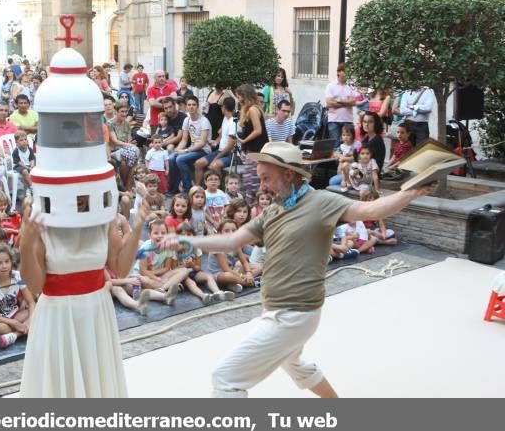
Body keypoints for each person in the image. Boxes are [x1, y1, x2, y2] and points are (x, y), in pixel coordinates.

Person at [160, 140, 434, 398]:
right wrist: (188, 240)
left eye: (267, 177)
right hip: (280, 310)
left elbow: (370, 210)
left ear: (289, 175)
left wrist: (410, 192)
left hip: (293, 315)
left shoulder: (322, 202)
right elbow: (231, 240)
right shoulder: (272, 211)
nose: (262, 185)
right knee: (296, 363)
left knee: (225, 377)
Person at [19, 191, 151, 396]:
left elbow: (121, 268)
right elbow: (36, 285)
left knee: (96, 376)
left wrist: (137, 228)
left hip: (96, 311)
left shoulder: (104, 219)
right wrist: (26, 244)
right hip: (58, 314)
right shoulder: (43, 222)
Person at [0, 244, 35, 349]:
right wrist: (14, 323)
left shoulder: (18, 276)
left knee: (38, 308)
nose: (4, 266)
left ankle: (15, 335)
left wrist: (31, 319)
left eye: (7, 261)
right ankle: (27, 329)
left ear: (11, 262)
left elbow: (31, 302)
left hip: (14, 314)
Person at [175, 223, 233, 304]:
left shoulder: (196, 248)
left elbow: (198, 268)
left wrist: (192, 265)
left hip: (193, 272)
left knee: (208, 276)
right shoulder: (176, 250)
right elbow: (173, 269)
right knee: (190, 282)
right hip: (182, 275)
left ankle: (218, 292)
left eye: (189, 234)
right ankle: (203, 295)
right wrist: (185, 265)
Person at [169, 95, 212, 194]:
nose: (191, 107)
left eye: (194, 105)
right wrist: (177, 150)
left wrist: (185, 151)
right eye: (189, 105)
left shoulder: (204, 121)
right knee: (172, 157)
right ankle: (174, 189)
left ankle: (187, 189)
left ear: (197, 106)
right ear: (186, 107)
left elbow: (202, 143)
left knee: (180, 159)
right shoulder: (187, 120)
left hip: (203, 150)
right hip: (192, 148)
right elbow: (184, 140)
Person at [236, 84, 268, 205]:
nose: (238, 99)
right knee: (250, 180)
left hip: (256, 150)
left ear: (244, 96)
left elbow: (258, 130)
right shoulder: (249, 109)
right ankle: (251, 206)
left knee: (252, 181)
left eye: (239, 96)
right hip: (251, 150)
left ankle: (253, 206)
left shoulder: (253, 110)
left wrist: (244, 141)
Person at [207, 220, 259, 293]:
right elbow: (226, 269)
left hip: (233, 270)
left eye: (234, 230)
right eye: (226, 231)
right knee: (228, 276)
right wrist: (242, 276)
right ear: (220, 233)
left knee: (258, 267)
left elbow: (244, 262)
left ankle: (233, 284)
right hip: (219, 274)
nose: (231, 233)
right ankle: (252, 282)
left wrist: (249, 273)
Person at [194, 96, 237, 179]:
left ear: (224, 107)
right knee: (198, 163)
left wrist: (216, 158)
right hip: (221, 151)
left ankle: (217, 190)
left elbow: (230, 146)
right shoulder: (225, 118)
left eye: (221, 106)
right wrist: (216, 142)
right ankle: (199, 189)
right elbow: (221, 135)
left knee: (214, 165)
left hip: (231, 154)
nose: (221, 108)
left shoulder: (233, 122)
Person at [325, 63, 358, 148]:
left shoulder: (351, 86)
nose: (348, 74)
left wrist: (338, 101)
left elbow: (354, 102)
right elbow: (329, 103)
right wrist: (346, 102)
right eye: (346, 71)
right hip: (334, 120)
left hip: (347, 120)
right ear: (339, 72)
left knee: (348, 145)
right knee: (335, 146)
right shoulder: (331, 86)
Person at [147, 71, 177, 135]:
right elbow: (152, 103)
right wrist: (168, 106)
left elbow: (174, 97)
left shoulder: (170, 87)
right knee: (156, 142)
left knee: (170, 141)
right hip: (156, 122)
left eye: (163, 76)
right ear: (155, 78)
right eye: (159, 76)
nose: (162, 78)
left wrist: (161, 98)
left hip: (170, 121)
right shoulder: (151, 89)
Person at [11, 130, 35, 196]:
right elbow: (20, 163)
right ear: (16, 142)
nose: (24, 141)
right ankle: (32, 186)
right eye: (21, 140)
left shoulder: (29, 149)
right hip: (18, 166)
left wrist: (32, 167)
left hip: (28, 165)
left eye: (25, 139)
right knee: (25, 171)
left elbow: (32, 159)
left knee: (36, 170)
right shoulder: (16, 152)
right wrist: (28, 168)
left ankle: (28, 189)